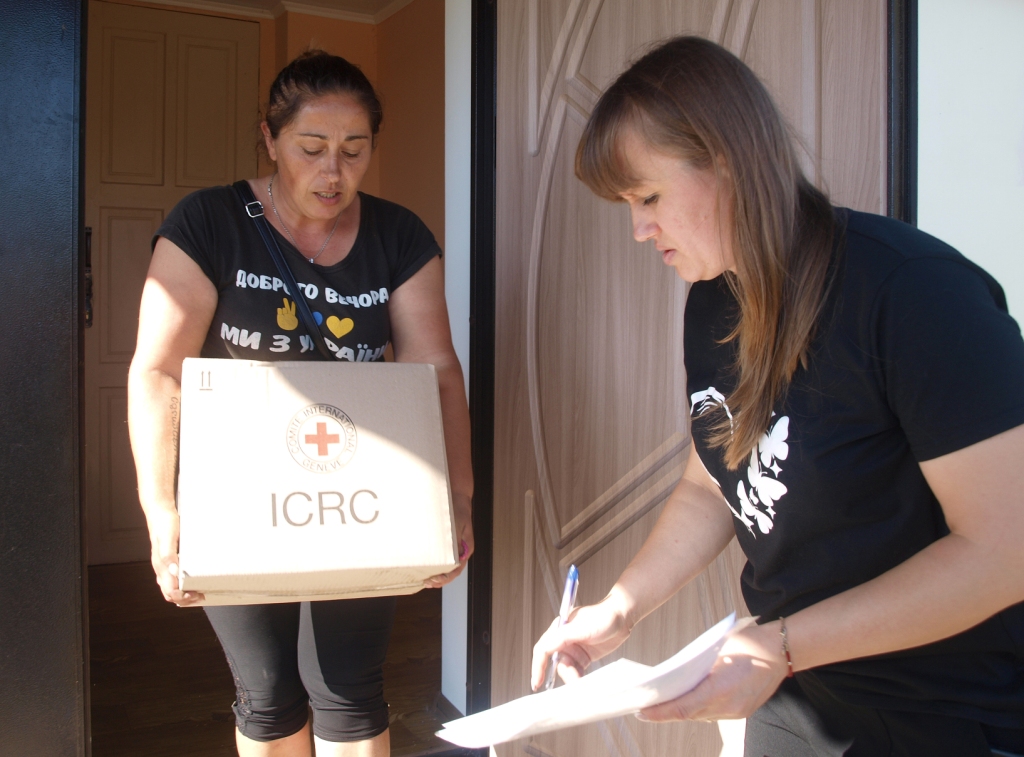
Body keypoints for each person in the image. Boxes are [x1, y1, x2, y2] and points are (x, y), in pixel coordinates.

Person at [530, 36, 1024, 756]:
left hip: (946, 711)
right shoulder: (712, 301)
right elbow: (712, 484)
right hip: (797, 696)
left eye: (649, 197)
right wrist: (619, 610)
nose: (638, 229)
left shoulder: (915, 293)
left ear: (726, 159)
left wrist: (780, 647)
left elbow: (1004, 550)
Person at [127, 50, 474, 757]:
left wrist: (457, 498)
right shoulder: (209, 222)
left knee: (350, 687)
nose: (333, 171)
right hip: (238, 491)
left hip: (361, 485)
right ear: (270, 138)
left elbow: (435, 369)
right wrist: (162, 512)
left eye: (355, 149)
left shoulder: (399, 236)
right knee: (267, 692)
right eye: (311, 148)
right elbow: (158, 371)